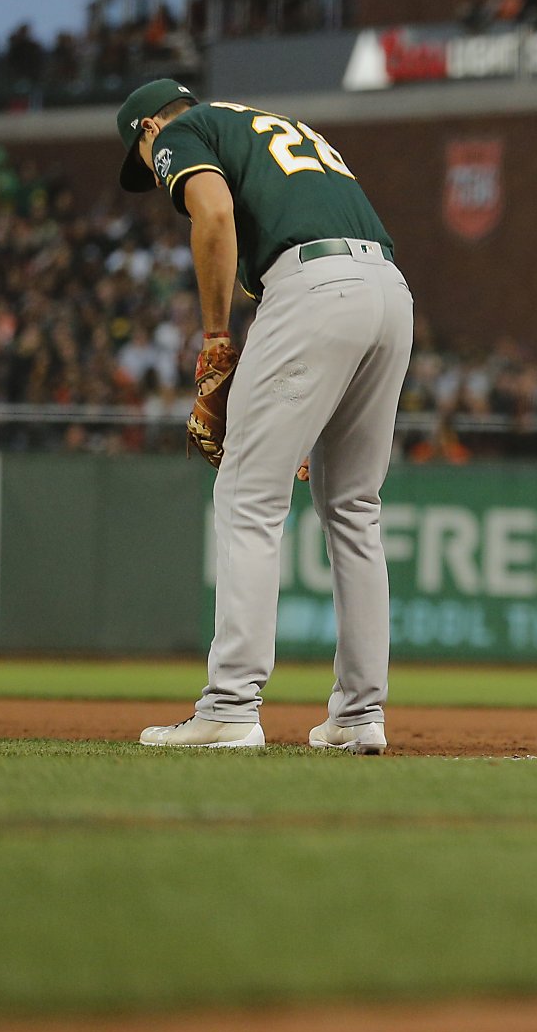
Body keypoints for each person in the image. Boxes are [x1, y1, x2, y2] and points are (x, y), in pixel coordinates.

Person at [111, 78, 413, 753]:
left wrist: (216, 336)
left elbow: (212, 216)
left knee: (248, 498)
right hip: (389, 292)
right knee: (355, 509)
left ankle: (229, 705)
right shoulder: (279, 127)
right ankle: (361, 715)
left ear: (148, 132)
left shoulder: (182, 131)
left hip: (312, 290)